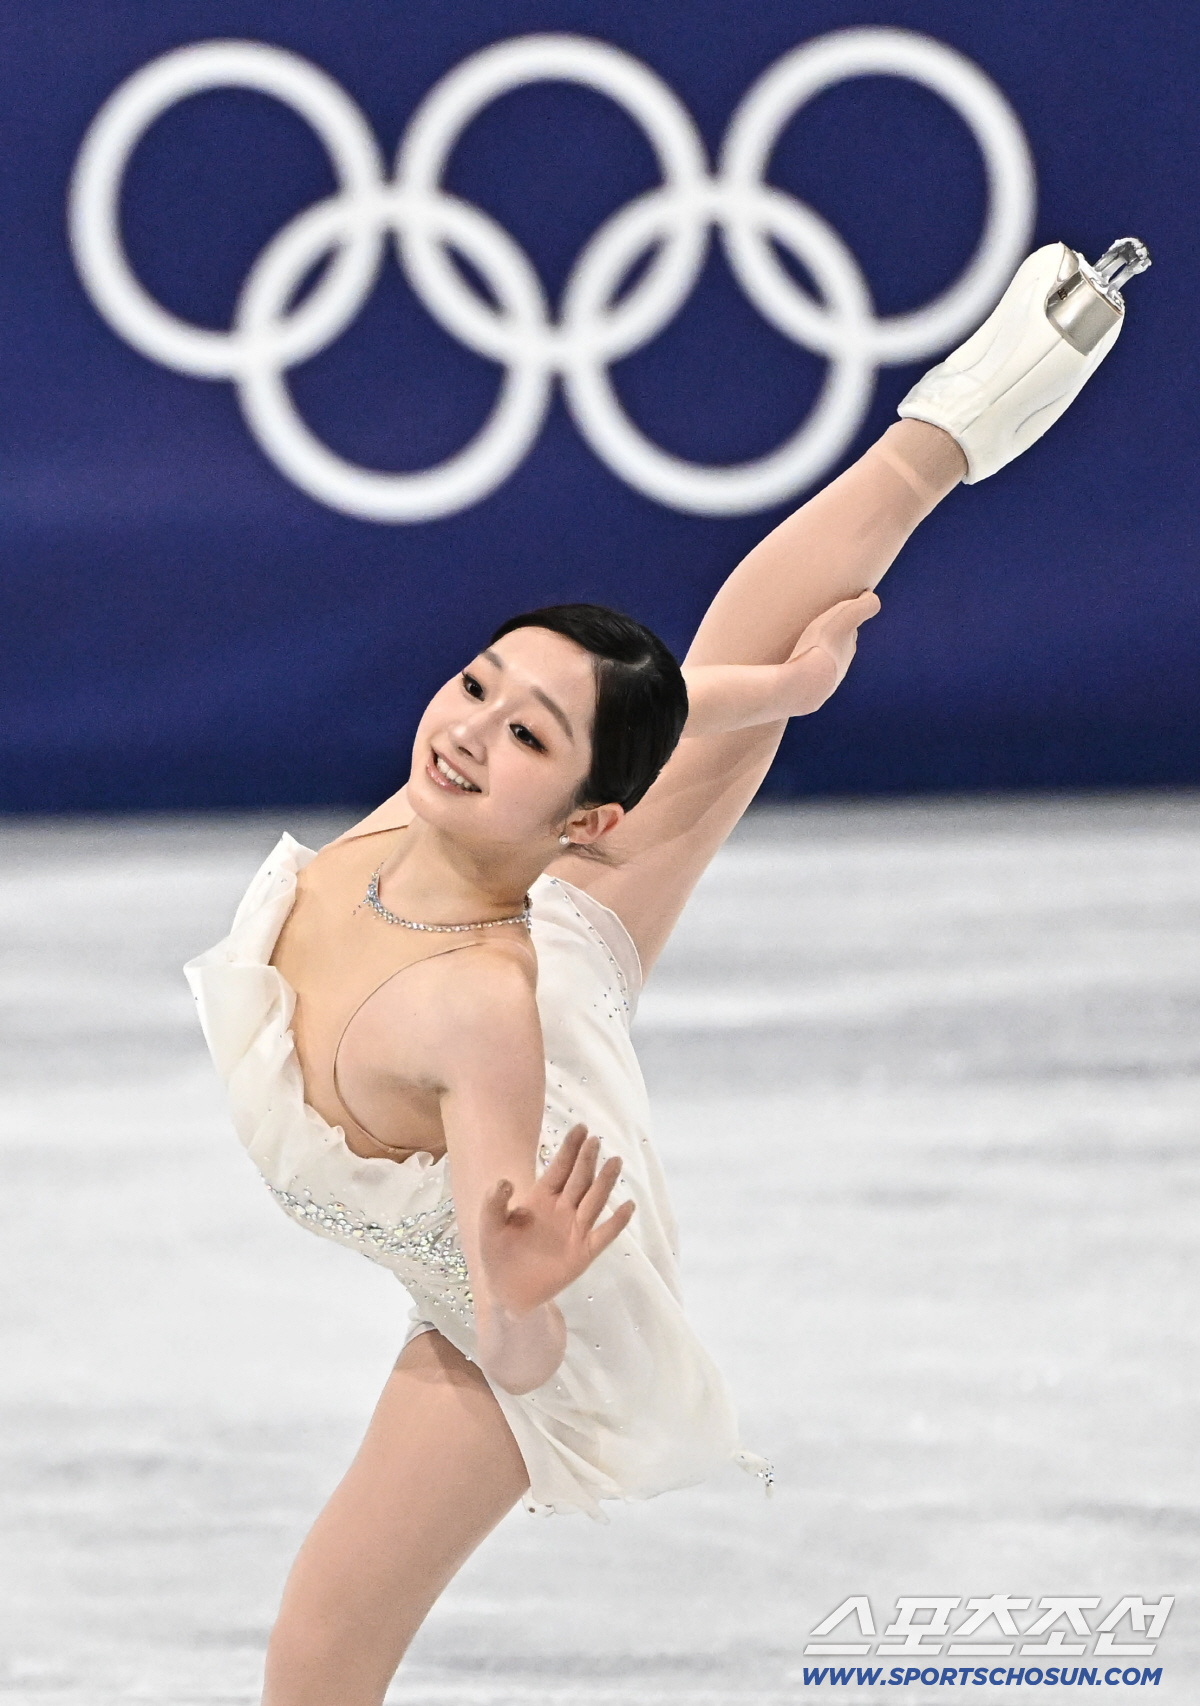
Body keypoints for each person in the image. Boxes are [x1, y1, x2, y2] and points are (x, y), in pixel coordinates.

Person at [185, 238, 1143, 1706]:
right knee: (733, 668)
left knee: (317, 1666)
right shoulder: (432, 803)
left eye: (521, 738)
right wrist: (782, 692)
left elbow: (522, 1336)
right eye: (479, 683)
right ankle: (954, 418)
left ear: (582, 821)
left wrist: (515, 1283)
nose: (467, 728)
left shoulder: (486, 1010)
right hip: (501, 965)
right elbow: (661, 704)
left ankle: (964, 420)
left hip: (517, 1252)